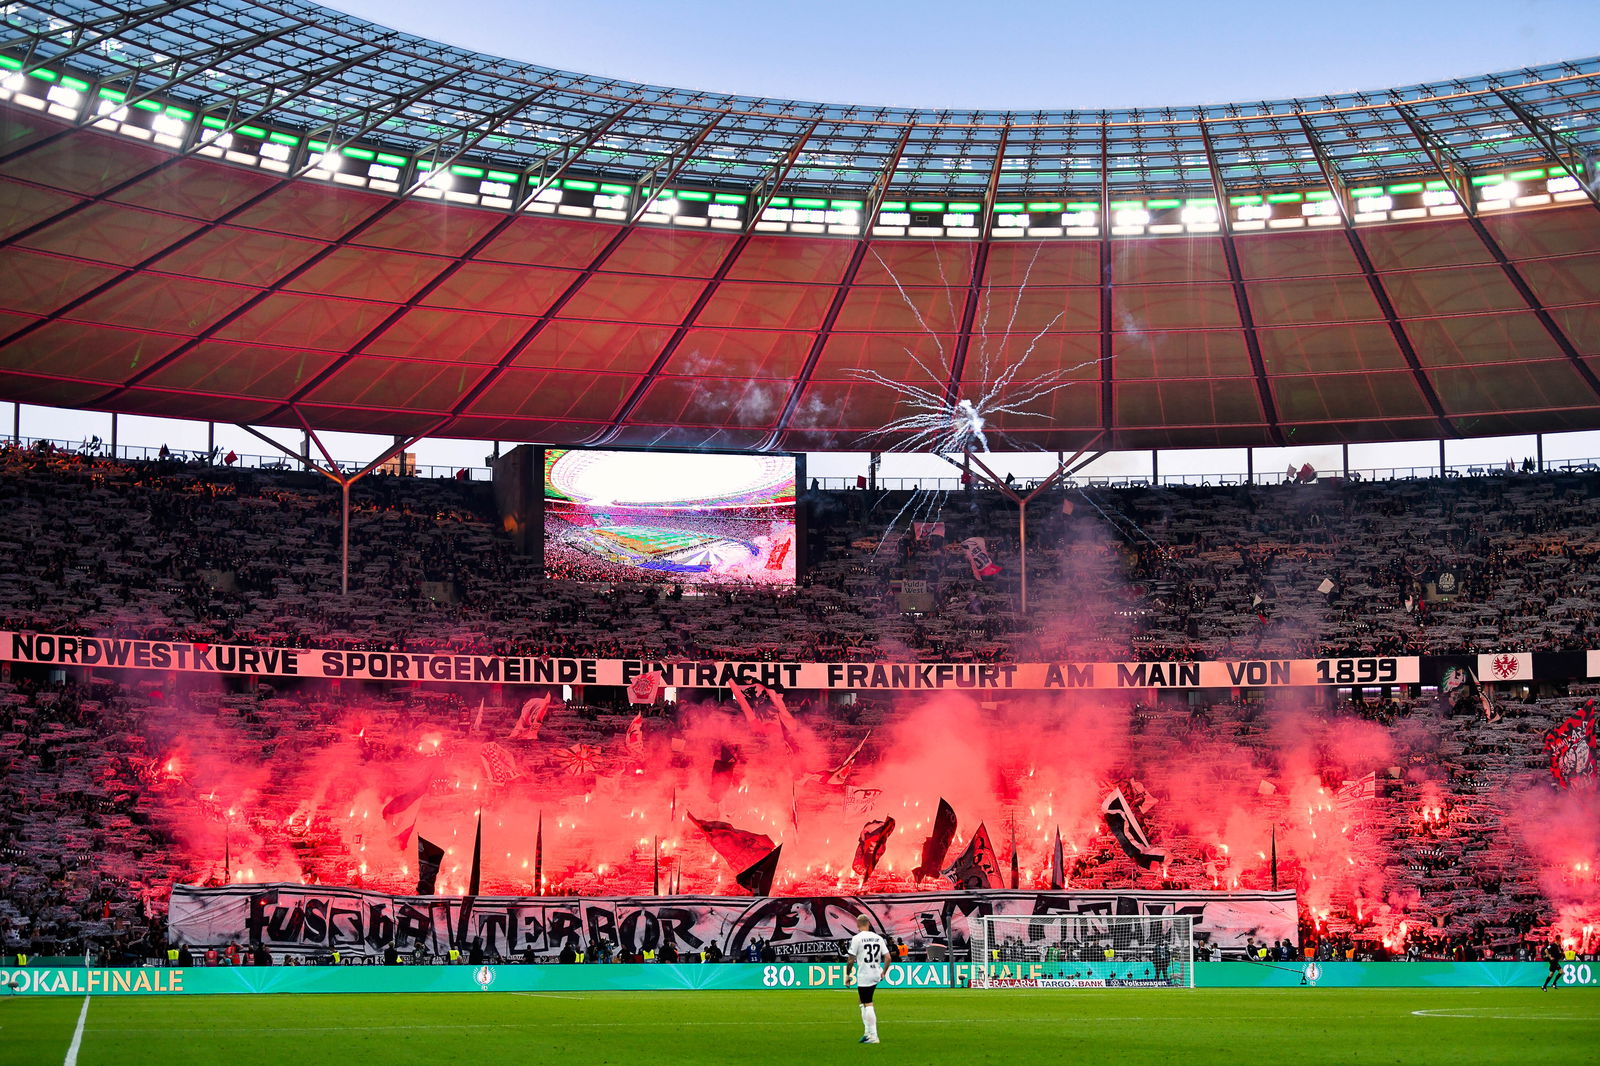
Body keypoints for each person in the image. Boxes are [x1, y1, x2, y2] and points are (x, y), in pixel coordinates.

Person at [846, 915, 887, 1045]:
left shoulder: (857, 938)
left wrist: (847, 975)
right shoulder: (878, 938)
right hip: (876, 972)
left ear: (857, 925)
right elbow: (888, 957)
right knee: (862, 1000)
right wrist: (884, 972)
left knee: (867, 1002)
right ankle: (867, 1032)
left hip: (865, 974)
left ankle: (873, 1035)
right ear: (868, 923)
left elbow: (851, 959)